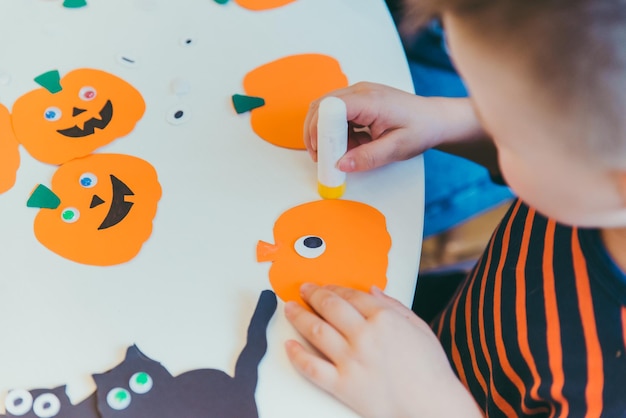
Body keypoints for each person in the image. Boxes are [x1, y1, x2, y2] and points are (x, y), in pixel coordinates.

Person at [282, 0, 626, 416]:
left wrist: (428, 403)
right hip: (443, 333)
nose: (485, 119)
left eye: (506, 128)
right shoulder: (593, 188)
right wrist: (446, 119)